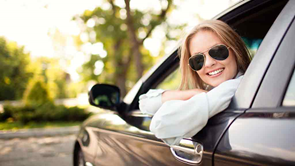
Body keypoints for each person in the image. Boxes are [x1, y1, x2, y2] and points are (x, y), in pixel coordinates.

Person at [138, 20, 251, 146]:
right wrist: (194, 93)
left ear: (236, 50)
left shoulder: (237, 86)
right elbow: (145, 103)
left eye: (218, 51)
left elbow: (161, 125)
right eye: (198, 59)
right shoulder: (211, 92)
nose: (209, 63)